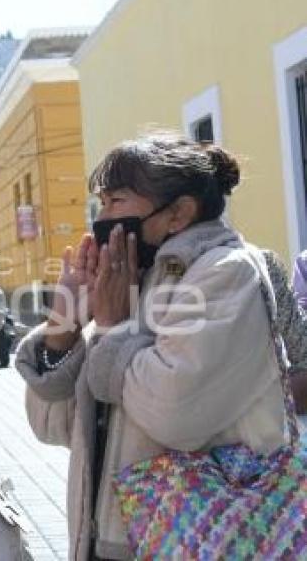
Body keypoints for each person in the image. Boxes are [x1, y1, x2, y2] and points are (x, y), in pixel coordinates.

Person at [16, 134, 287, 560]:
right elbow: (52, 426)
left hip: (201, 540)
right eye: (100, 203)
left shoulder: (227, 272)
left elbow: (175, 415)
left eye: (116, 201)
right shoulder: (128, 281)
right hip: (103, 542)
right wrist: (64, 322)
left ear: (178, 212)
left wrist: (110, 327)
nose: (102, 218)